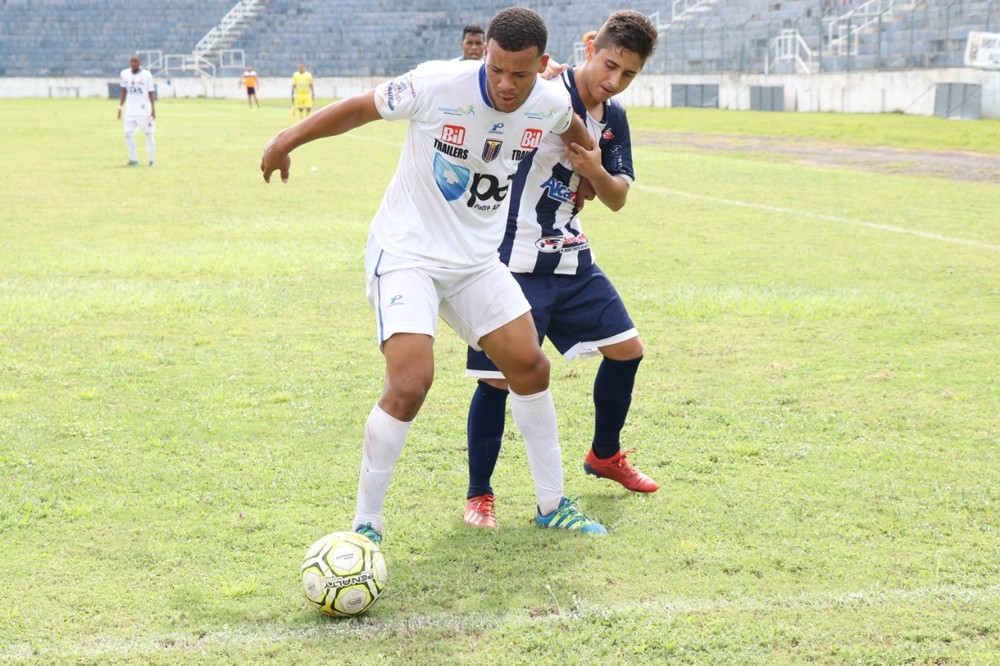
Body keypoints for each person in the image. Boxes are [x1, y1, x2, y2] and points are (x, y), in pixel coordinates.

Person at [260, 7, 607, 544]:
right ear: (485, 53)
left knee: (531, 367)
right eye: (496, 68)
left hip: (474, 262)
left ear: (542, 66)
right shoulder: (435, 83)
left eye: (519, 73)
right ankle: (365, 525)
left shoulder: (552, 102)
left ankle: (551, 503)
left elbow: (576, 133)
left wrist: (588, 174)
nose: (505, 83)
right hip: (408, 254)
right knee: (410, 381)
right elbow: (358, 109)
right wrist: (287, 139)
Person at [462, 10, 660, 530]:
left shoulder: (613, 118)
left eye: (628, 75)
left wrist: (593, 168)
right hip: (510, 257)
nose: (613, 81)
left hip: (570, 257)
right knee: (498, 381)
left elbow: (616, 197)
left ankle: (604, 455)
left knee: (627, 351)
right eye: (609, 65)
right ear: (590, 47)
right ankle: (479, 493)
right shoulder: (543, 87)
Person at [116, 54, 156, 166]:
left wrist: (153, 109)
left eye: (135, 61)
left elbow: (151, 93)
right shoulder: (124, 74)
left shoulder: (147, 75)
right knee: (128, 133)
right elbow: (124, 92)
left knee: (148, 134)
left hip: (143, 111)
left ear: (139, 63)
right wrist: (120, 107)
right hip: (130, 111)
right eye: (131, 61)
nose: (133, 63)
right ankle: (134, 160)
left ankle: (151, 160)